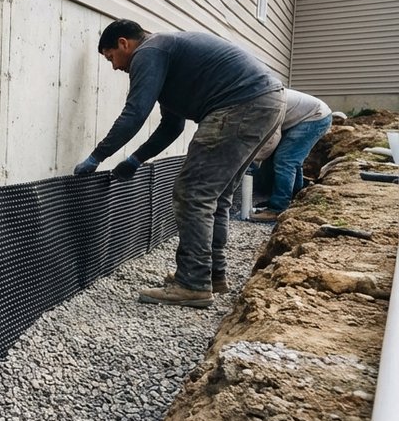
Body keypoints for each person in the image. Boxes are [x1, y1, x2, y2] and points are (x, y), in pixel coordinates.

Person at [73, 20, 285, 308]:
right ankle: (211, 275)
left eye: (111, 57)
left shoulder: (148, 52)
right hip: (263, 103)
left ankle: (192, 283)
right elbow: (172, 125)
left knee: (193, 193)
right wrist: (136, 159)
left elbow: (134, 112)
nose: (114, 67)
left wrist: (97, 156)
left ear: (124, 43)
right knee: (216, 196)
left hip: (241, 106)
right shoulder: (166, 53)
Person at [247, 89, 333, 222]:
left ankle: (278, 208)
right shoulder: (257, 98)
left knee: (285, 160)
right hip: (309, 114)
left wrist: (252, 162)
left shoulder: (266, 105)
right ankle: (294, 200)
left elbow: (271, 139)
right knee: (293, 161)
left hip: (315, 117)